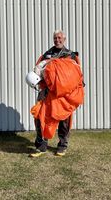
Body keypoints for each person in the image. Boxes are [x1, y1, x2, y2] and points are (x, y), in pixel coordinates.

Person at [30, 29, 82, 157]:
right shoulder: (46, 55)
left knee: (64, 119)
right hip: (47, 93)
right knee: (41, 117)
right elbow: (37, 72)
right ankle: (41, 146)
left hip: (65, 95)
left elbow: (78, 75)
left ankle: (62, 146)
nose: (57, 40)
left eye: (59, 38)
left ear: (64, 39)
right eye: (55, 38)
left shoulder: (71, 55)